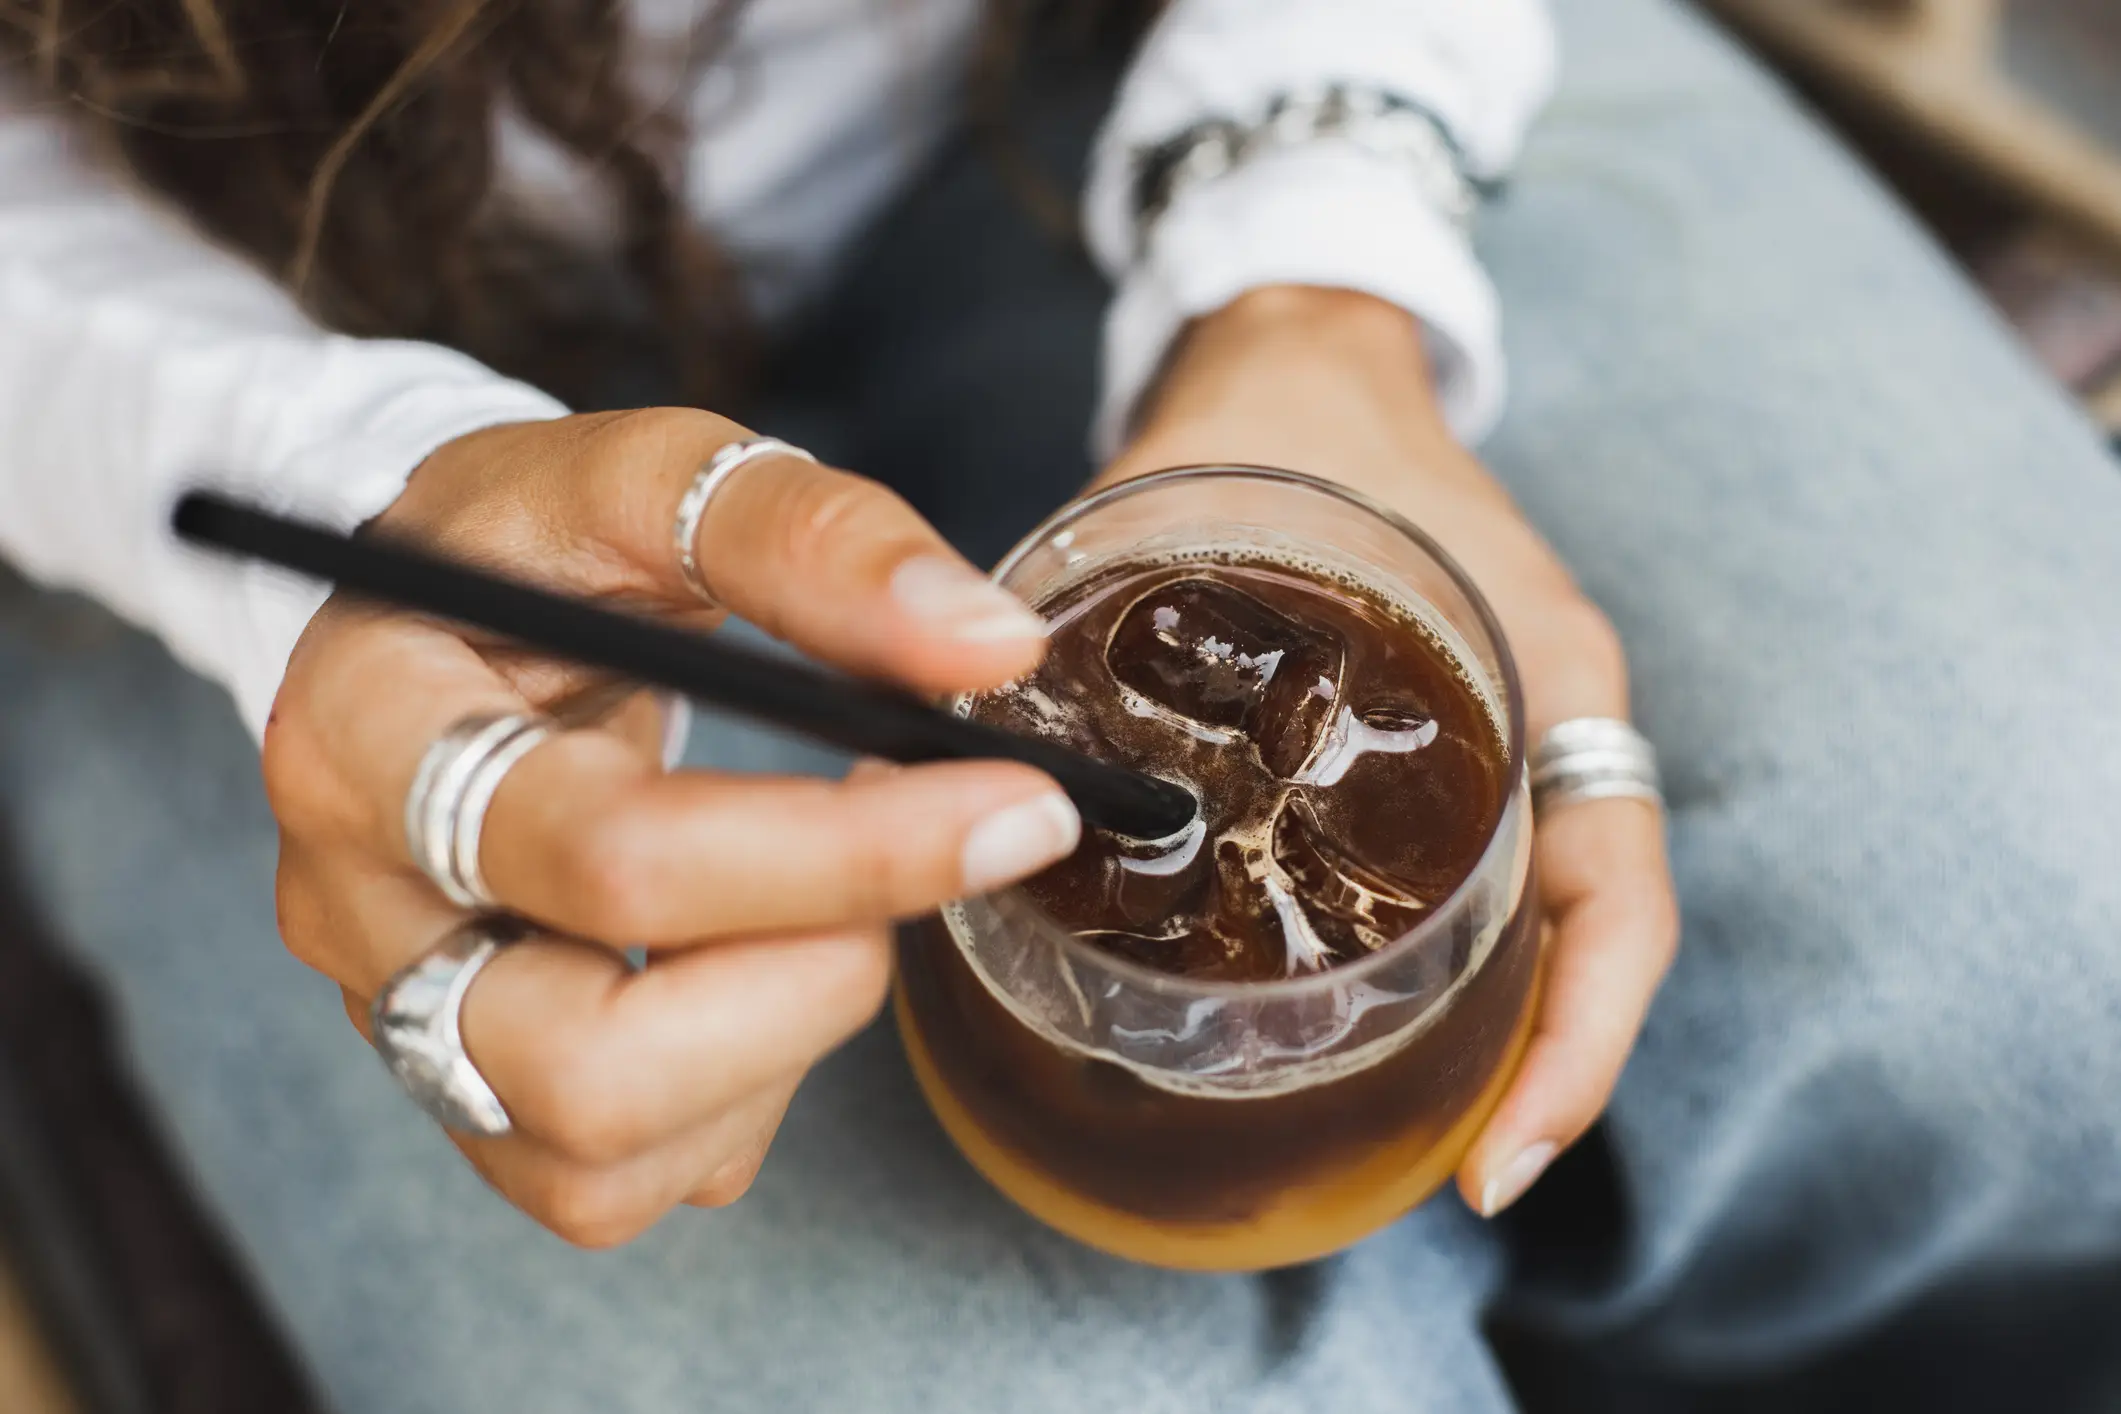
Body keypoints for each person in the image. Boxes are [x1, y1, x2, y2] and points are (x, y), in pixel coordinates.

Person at [0, 0, 2115, 1408]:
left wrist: (1317, 268)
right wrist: (311, 489)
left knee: (2032, 928)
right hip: (213, 306)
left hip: (1095, 68)